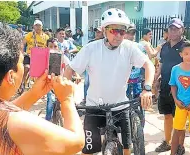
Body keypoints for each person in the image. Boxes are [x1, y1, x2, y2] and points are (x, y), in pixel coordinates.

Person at [0, 23, 84, 155]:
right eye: (22, 62)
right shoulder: (15, 123)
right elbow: (76, 143)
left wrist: (34, 93)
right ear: (11, 76)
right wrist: (67, 99)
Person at [64, 8, 155, 155]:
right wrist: (66, 97)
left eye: (122, 31)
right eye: (114, 30)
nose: (118, 35)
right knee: (88, 151)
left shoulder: (129, 48)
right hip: (94, 107)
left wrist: (148, 88)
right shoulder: (91, 49)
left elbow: (148, 65)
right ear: (104, 30)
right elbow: (69, 69)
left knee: (127, 149)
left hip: (120, 106)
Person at [155, 18, 187, 153]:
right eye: (171, 29)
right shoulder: (165, 46)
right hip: (165, 86)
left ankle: (180, 145)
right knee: (167, 115)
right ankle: (167, 142)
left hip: (181, 88)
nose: (173, 31)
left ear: (182, 30)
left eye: (176, 29)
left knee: (180, 119)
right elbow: (161, 64)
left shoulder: (186, 46)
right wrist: (155, 79)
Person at [169, 41, 190, 155]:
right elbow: (173, 85)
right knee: (177, 130)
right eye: (186, 54)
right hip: (180, 105)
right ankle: (173, 152)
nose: (189, 56)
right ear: (181, 54)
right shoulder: (175, 69)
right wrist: (175, 100)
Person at [21, 20, 49, 93]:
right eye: (36, 25)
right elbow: (23, 43)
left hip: (40, 57)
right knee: (26, 68)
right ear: (33, 26)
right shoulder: (30, 34)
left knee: (40, 73)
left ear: (42, 27)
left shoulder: (46, 37)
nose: (38, 27)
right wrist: (22, 52)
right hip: (29, 55)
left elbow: (48, 47)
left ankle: (38, 87)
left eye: (39, 25)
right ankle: (22, 83)